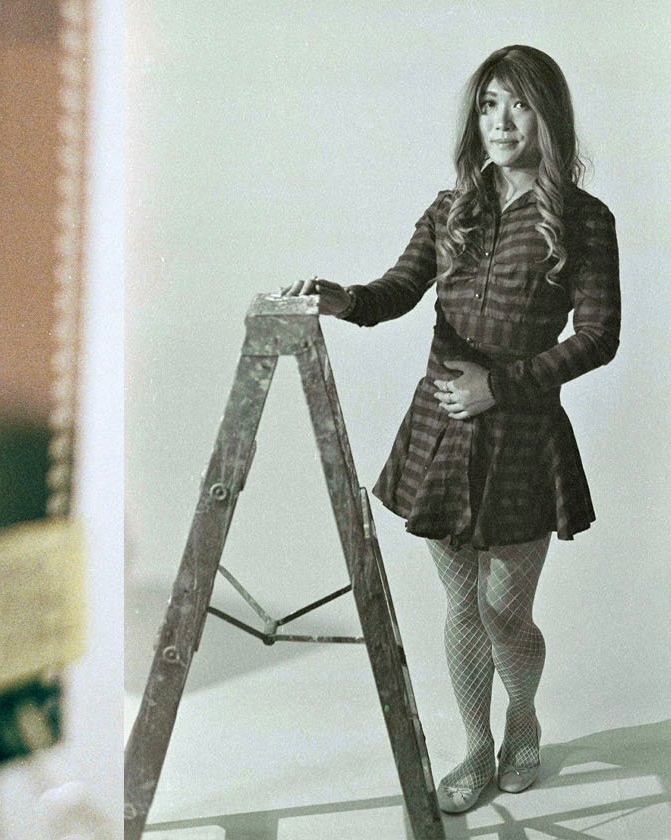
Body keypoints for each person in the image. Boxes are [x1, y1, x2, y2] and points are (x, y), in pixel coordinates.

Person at [280, 45, 619, 814]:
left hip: (522, 437)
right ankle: (473, 747)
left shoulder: (585, 220)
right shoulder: (453, 207)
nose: (501, 121)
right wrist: (342, 297)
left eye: (519, 104)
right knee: (461, 606)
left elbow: (599, 335)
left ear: (549, 116)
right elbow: (399, 289)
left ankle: (521, 721)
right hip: (440, 430)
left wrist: (499, 387)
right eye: (489, 103)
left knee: (505, 610)